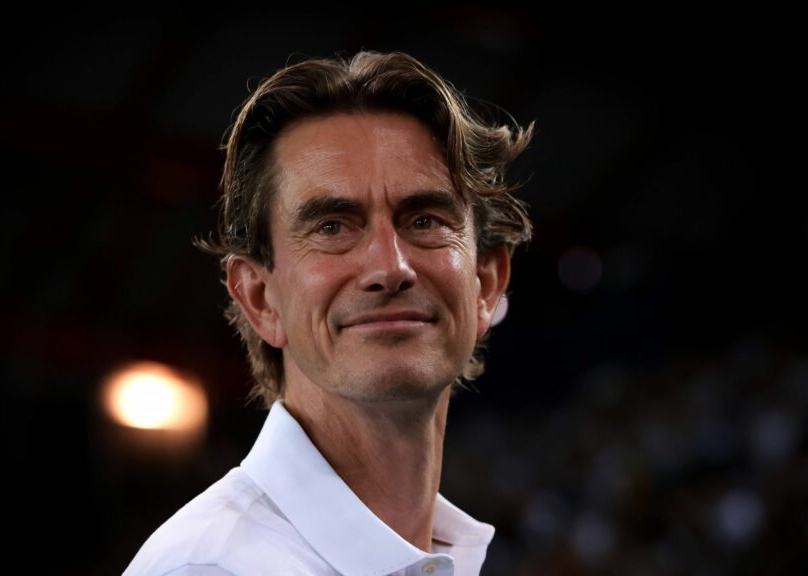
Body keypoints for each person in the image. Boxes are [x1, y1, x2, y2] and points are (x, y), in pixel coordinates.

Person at [122, 50, 535, 576]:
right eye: (333, 227)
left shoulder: (450, 556)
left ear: (486, 283)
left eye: (425, 219)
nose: (390, 266)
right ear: (260, 299)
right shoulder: (208, 568)